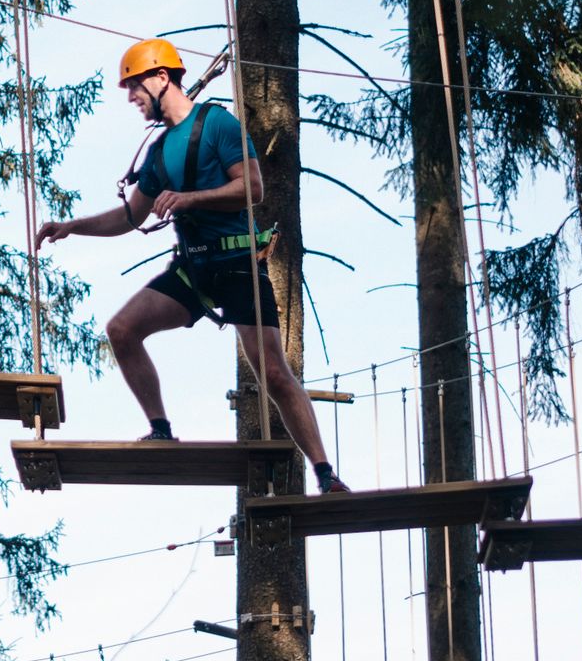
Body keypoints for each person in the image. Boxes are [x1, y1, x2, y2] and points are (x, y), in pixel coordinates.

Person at [35, 38, 348, 493]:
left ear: (162, 78)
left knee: (275, 373)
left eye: (135, 85)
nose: (131, 97)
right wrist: (71, 226)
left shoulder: (217, 124)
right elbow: (129, 217)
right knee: (122, 330)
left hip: (239, 262)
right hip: (195, 271)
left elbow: (253, 187)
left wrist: (190, 198)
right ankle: (160, 428)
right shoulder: (159, 153)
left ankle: (325, 474)